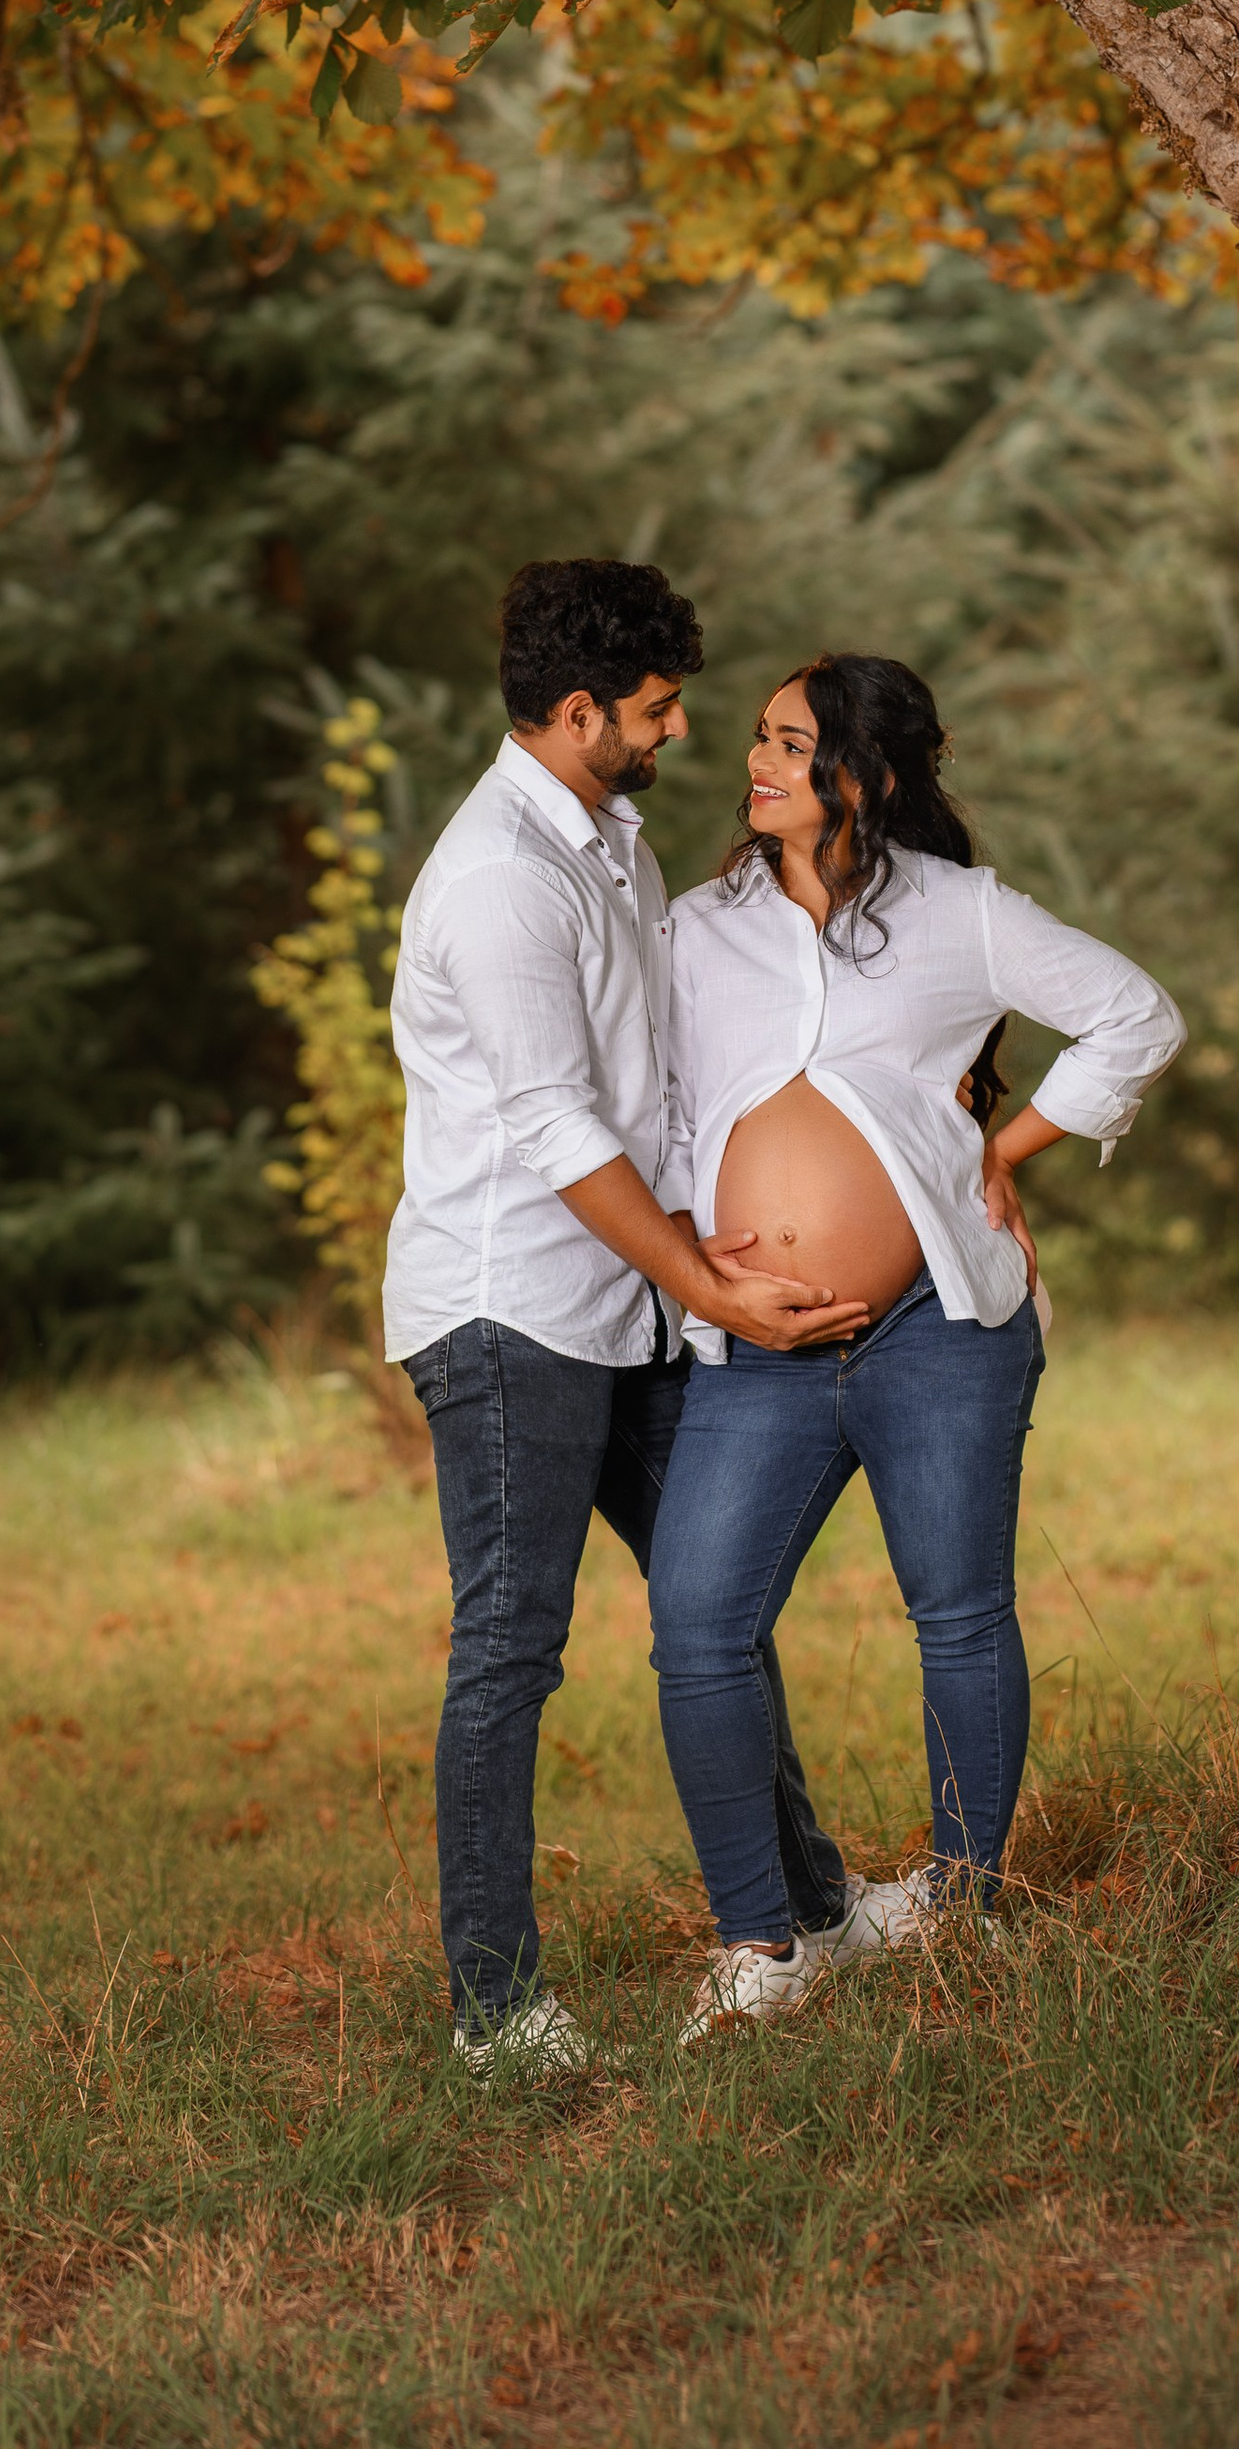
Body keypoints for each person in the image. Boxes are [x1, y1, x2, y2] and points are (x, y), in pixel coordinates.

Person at [387, 560, 910, 2075]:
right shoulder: (498, 879)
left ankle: (811, 1914)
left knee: (713, 1606)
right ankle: (495, 2009)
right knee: (511, 1648)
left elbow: (639, 1092)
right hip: (509, 1316)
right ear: (576, 712)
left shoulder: (602, 835)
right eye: (660, 709)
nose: (682, 735)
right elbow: (557, 1130)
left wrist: (691, 1263)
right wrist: (710, 1285)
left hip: (627, 1307)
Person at [648, 653, 1184, 2041]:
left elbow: (1138, 1013)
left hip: (941, 1329)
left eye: (789, 744)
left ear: (868, 778)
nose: (756, 764)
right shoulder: (695, 931)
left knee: (957, 1614)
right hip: (752, 1350)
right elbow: (642, 1111)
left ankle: (962, 1898)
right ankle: (765, 1943)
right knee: (700, 1628)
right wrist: (695, 1274)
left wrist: (1009, 1146)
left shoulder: (962, 915)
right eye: (760, 740)